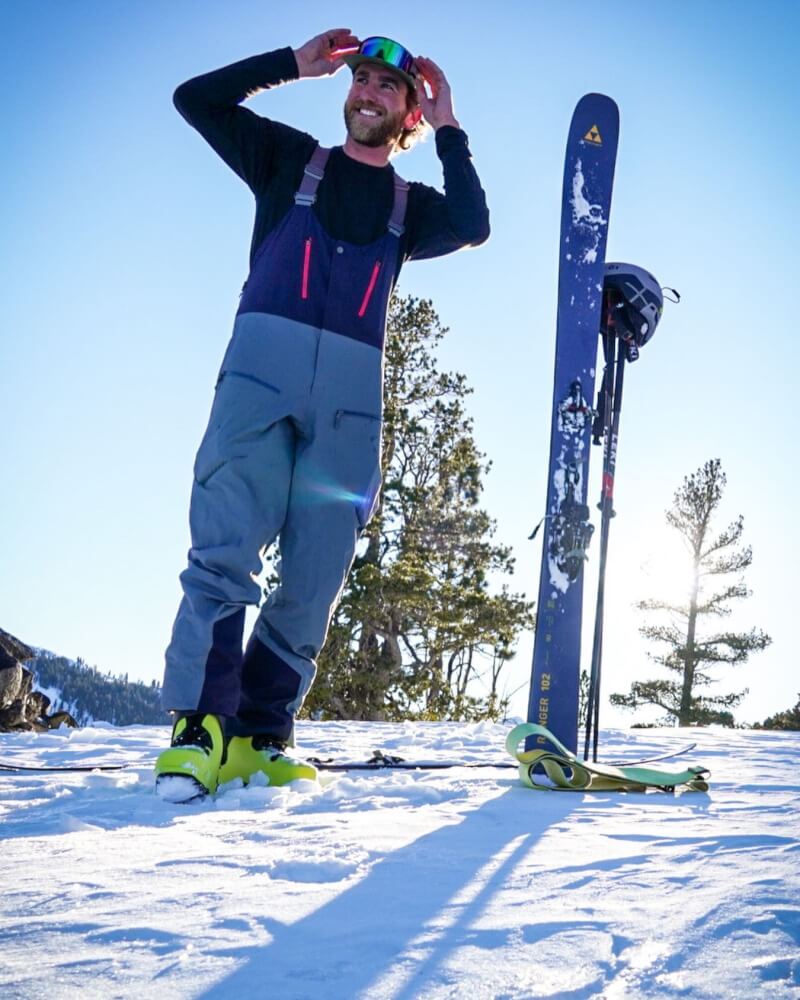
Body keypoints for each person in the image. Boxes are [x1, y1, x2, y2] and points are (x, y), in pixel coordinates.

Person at [155, 30, 490, 801]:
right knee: (225, 546)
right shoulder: (285, 160)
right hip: (259, 377)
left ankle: (261, 735)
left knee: (316, 573)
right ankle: (200, 729)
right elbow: (194, 101)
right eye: (362, 80)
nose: (368, 92)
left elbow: (473, 224)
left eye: (387, 88)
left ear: (407, 112)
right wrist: (289, 67)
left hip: (349, 400)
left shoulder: (414, 209)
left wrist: (450, 127)